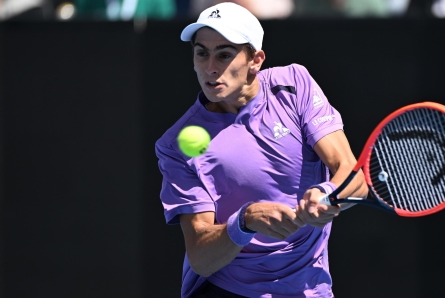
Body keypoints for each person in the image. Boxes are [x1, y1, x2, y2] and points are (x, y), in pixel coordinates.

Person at [155, 2, 368, 297]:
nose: (211, 67)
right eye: (201, 53)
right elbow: (201, 259)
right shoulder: (175, 145)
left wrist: (328, 194)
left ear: (255, 60)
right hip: (226, 290)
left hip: (308, 288)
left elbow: (353, 176)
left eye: (225, 54)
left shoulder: (295, 85)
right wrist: (245, 221)